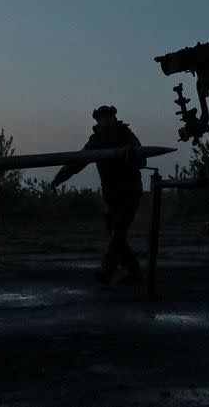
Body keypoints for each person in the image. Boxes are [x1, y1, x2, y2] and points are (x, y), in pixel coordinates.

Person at [50, 105, 146, 285]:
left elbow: (142, 160)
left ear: (114, 117)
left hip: (130, 192)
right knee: (117, 235)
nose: (104, 120)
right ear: (97, 121)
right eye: (101, 118)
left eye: (107, 117)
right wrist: (58, 179)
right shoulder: (96, 141)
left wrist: (131, 156)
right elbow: (77, 163)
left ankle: (107, 270)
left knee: (118, 232)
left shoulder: (127, 136)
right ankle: (135, 273)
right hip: (112, 196)